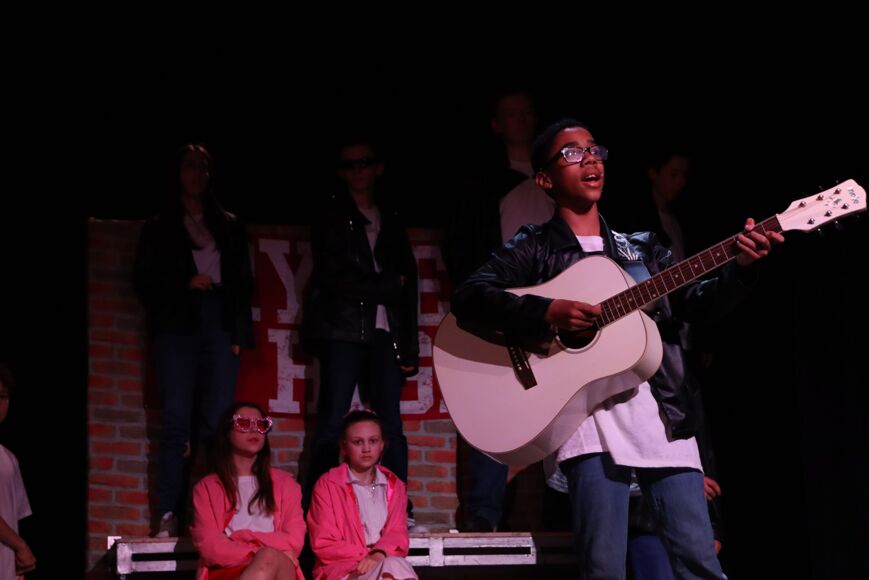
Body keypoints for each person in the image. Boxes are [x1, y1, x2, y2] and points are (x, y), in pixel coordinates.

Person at [450, 118, 783, 578]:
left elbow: (696, 305)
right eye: (572, 153)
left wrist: (740, 268)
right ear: (544, 180)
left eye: (593, 150)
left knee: (700, 563)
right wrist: (547, 311)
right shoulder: (536, 247)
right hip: (588, 426)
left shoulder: (642, 249)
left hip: (661, 419)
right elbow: (470, 297)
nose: (589, 159)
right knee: (604, 568)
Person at [134, 143, 255, 536]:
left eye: (204, 167)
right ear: (177, 172)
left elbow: (243, 284)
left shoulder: (228, 224)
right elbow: (143, 281)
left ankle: (210, 513)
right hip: (177, 324)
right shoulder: (160, 225)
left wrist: (237, 333)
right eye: (189, 166)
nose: (197, 174)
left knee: (215, 424)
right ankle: (169, 513)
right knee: (175, 423)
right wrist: (184, 282)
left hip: (218, 321)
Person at [302, 138, 419, 526]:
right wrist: (384, 285)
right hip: (343, 330)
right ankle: (317, 507)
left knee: (391, 427)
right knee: (331, 422)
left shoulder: (391, 215)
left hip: (385, 332)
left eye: (364, 162)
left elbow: (408, 284)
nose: (358, 170)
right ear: (341, 173)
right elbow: (333, 278)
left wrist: (410, 347)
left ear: (378, 168)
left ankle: (398, 508)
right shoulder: (331, 215)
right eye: (349, 165)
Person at [443, 88, 543, 533]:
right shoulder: (482, 182)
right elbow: (460, 246)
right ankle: (485, 515)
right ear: (496, 124)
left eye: (528, 112)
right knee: (493, 408)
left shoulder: (556, 177)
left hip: (558, 303)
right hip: (504, 306)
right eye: (511, 113)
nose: (522, 119)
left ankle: (562, 506)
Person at [190, 401, 305, 580]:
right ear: (227, 432)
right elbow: (211, 548)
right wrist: (258, 552)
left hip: (280, 568)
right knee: (266, 557)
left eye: (261, 425)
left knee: (269, 558)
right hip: (228, 569)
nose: (254, 430)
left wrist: (241, 537)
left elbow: (294, 540)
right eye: (243, 423)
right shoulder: (206, 488)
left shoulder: (286, 485)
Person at [307, 410, 416, 580]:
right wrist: (367, 557)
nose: (366, 449)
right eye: (358, 442)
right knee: (393, 567)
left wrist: (379, 554)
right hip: (343, 570)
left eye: (373, 441)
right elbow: (324, 542)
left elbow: (397, 532)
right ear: (344, 446)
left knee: (394, 565)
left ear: (382, 445)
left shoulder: (394, 485)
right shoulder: (328, 485)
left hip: (382, 562)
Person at [0, 363, 36, 578]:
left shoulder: (9, 459)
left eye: (2, 397)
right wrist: (21, 546)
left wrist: (19, 570)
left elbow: (13, 519)